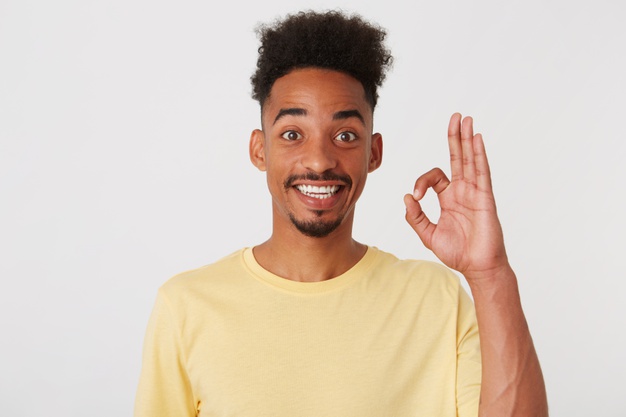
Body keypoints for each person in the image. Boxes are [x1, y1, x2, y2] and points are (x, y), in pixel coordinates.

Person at [134, 10, 548, 417]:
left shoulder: (438, 300)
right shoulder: (186, 306)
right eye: (293, 134)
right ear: (260, 150)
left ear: (374, 152)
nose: (318, 161)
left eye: (346, 135)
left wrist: (490, 273)